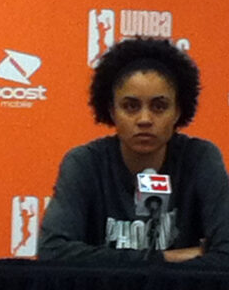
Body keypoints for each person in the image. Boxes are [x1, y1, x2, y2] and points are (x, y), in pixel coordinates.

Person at [38, 38, 229, 265]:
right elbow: (53, 252)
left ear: (178, 111)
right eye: (131, 106)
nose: (145, 119)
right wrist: (165, 258)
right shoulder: (85, 163)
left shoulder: (200, 159)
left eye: (159, 107)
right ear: (112, 111)